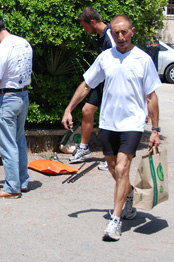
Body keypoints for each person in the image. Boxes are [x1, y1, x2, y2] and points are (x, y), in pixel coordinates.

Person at [62, 15, 161, 241]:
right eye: (116, 33)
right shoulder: (105, 57)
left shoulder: (143, 59)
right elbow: (87, 85)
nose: (121, 37)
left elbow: (151, 96)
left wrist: (155, 129)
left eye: (124, 32)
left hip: (133, 123)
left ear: (132, 31)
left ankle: (115, 221)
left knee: (123, 168)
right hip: (108, 122)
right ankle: (128, 195)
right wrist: (69, 109)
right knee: (113, 167)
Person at [0, 18, 33, 199]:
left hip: (6, 99)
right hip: (23, 96)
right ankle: (22, 181)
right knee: (19, 141)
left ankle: (12, 187)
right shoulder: (24, 43)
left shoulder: (2, 50)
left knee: (7, 144)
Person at [62, 7, 115, 169]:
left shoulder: (111, 37)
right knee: (87, 110)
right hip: (101, 82)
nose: (85, 30)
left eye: (85, 26)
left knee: (108, 118)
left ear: (93, 22)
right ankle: (84, 148)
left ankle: (111, 156)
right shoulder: (101, 36)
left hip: (112, 85)